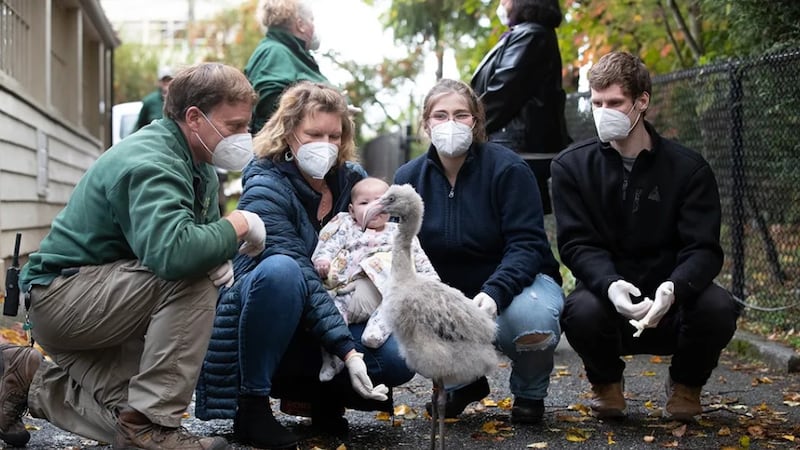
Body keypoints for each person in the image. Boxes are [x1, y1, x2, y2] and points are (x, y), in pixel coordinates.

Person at [6, 62, 266, 450]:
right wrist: (239, 224)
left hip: (98, 301)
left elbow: (199, 243)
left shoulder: (197, 165)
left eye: (247, 126)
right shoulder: (153, 162)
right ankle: (151, 427)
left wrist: (216, 248)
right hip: (63, 300)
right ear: (195, 118)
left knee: (128, 414)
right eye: (235, 126)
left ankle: (23, 378)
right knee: (190, 277)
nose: (244, 137)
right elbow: (175, 254)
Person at [194, 81, 415, 449]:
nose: (325, 144)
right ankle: (252, 405)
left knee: (397, 358)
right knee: (283, 270)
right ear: (288, 132)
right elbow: (300, 271)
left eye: (334, 135)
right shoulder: (265, 184)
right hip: (272, 316)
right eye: (313, 134)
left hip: (335, 309)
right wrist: (348, 351)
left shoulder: (353, 182)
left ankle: (323, 396)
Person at [550, 51, 741, 422]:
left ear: (642, 101)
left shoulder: (688, 169)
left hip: (673, 299)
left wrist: (674, 289)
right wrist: (609, 285)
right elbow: (576, 244)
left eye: (615, 103)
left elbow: (703, 248)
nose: (603, 112)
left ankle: (686, 384)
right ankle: (606, 383)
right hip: (608, 298)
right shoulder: (571, 166)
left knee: (719, 307)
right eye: (597, 103)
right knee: (579, 311)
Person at [393, 78, 564, 425]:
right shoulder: (409, 178)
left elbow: (527, 245)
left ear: (476, 122)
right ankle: (462, 382)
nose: (451, 123)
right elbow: (403, 251)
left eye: (461, 115)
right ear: (426, 124)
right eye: (440, 115)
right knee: (408, 311)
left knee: (531, 320)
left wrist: (495, 291)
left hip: (517, 283)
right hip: (449, 292)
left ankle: (529, 391)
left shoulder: (509, 169)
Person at [312, 176, 439, 381]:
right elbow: (329, 244)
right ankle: (333, 357)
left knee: (396, 304)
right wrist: (323, 260)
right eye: (364, 203)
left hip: (384, 294)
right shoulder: (346, 226)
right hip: (347, 291)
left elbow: (420, 261)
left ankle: (376, 333)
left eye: (381, 201)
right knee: (332, 317)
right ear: (352, 210)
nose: (374, 208)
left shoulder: (399, 232)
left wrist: (431, 282)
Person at [470, 0, 571, 215]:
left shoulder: (532, 35)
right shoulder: (525, 34)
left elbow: (503, 94)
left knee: (512, 222)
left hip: (517, 148)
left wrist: (468, 126)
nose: (502, 3)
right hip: (513, 147)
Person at [245, 0, 328, 134]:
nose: (314, 26)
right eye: (311, 20)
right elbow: (270, 105)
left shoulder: (291, 54)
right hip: (282, 144)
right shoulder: (274, 52)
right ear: (300, 25)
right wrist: (326, 109)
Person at [134, 65, 173, 131]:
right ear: (159, 82)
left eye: (169, 80)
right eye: (164, 80)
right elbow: (139, 126)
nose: (166, 83)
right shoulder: (149, 101)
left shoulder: (179, 100)